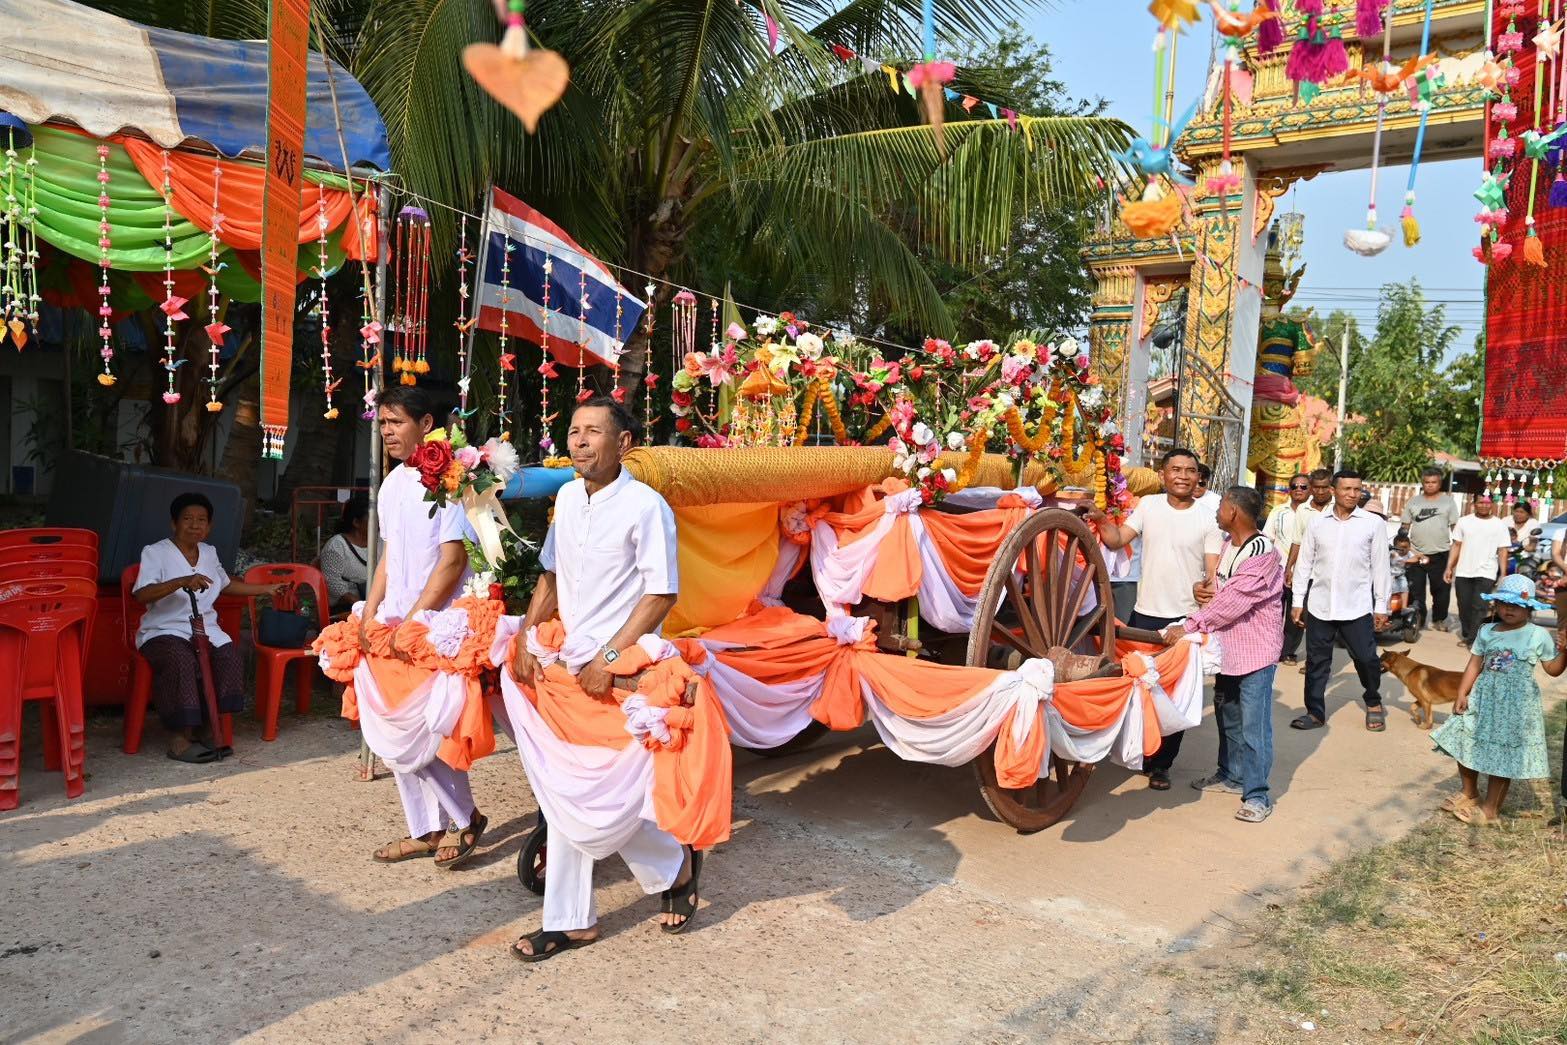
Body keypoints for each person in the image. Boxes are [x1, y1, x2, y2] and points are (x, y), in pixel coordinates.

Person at [508, 397, 694, 959]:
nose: (579, 441)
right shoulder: (565, 497)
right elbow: (551, 576)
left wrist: (608, 659)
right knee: (571, 790)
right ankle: (579, 916)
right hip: (567, 670)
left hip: (615, 673)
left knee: (604, 790)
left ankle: (671, 868)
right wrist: (524, 635)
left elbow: (661, 593)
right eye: (573, 431)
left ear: (625, 444)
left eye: (593, 432)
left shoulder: (646, 506)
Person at [359, 385, 487, 868]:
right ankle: (426, 830)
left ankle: (465, 819)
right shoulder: (392, 484)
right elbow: (390, 558)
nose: (387, 431)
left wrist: (412, 623)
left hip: (439, 626)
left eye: (396, 422)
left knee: (432, 731)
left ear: (427, 424)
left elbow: (452, 562)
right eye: (383, 423)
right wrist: (371, 615)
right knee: (394, 730)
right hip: (394, 622)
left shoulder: (456, 480)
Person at [1089, 447, 1219, 789]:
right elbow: (1117, 541)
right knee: (1138, 684)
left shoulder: (1208, 517)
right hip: (1145, 614)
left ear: (1198, 477)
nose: (1183, 476)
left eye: (1190, 470)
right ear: (1163, 475)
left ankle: (1162, 765)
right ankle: (1141, 749)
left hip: (1184, 619)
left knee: (1174, 693)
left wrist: (1206, 593)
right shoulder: (1148, 507)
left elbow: (1212, 570)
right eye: (1176, 469)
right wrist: (1101, 519)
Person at [134, 493, 288, 763]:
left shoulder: (209, 552)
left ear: (209, 527)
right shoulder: (155, 552)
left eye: (201, 520)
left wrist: (266, 589)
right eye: (188, 519)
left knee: (228, 654)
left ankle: (208, 729)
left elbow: (225, 584)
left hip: (205, 628)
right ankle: (179, 739)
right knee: (180, 660)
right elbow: (142, 594)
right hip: (164, 630)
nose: (195, 525)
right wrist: (181, 581)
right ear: (174, 523)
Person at [1163, 486, 1282, 823]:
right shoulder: (1231, 545)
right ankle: (1230, 774)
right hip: (1227, 650)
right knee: (1228, 716)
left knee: (1254, 727)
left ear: (1233, 512)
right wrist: (1204, 589)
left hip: (1255, 654)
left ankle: (1257, 795)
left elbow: (1233, 604)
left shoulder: (1263, 553)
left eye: (1220, 507)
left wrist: (1189, 625)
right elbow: (1221, 591)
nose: (1216, 513)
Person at [1431, 574, 1567, 825]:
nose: (1508, 609)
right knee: (1465, 740)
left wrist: (1565, 650)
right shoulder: (1487, 630)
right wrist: (1462, 692)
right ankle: (1469, 792)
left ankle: (1490, 810)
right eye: (1504, 603)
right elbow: (1474, 664)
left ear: (1529, 607)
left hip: (1516, 707)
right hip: (1483, 699)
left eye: (1515, 605)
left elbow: (1553, 669)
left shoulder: (1537, 635)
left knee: (1503, 756)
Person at [1291, 470, 1391, 732]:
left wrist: (1381, 605)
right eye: (1346, 489)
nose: (1352, 494)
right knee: (1317, 661)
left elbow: (1381, 567)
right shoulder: (1317, 523)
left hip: (1356, 605)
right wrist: (1298, 601)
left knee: (1366, 658)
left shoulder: (1373, 523)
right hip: (1320, 604)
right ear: (1333, 491)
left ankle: (1373, 701)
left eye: (1357, 490)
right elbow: (1305, 564)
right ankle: (1314, 712)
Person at [1445, 494, 1511, 647]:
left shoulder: (1499, 525)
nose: (1484, 505)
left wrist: (1503, 574)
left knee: (1480, 606)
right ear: (1473, 504)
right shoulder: (1464, 521)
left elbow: (1502, 550)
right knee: (1464, 605)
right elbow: (1456, 546)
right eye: (1480, 502)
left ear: (1492, 504)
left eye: (1487, 503)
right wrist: (1449, 567)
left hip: (1487, 571)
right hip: (1463, 571)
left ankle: (1473, 639)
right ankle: (1468, 633)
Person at [1400, 467, 1461, 631]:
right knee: (1415, 589)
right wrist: (1404, 546)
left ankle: (1439, 619)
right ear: (1422, 483)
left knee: (1441, 590)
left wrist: (1457, 552)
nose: (1430, 485)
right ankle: (1418, 619)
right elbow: (1405, 526)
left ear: (1439, 483)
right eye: (1427, 482)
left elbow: (1456, 528)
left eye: (1434, 482)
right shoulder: (1414, 502)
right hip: (1416, 553)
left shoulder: (1448, 502)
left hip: (1441, 553)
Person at [1264, 475, 1311, 665]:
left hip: (1303, 573)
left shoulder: (1315, 513)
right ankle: (1271, 648)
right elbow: (1268, 539)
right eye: (1294, 486)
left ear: (1310, 489)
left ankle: (1288, 651)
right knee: (1273, 612)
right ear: (1289, 490)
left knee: (1295, 614)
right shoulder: (1278, 511)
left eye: (1303, 486)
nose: (1298, 489)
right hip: (1277, 571)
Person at [319, 494, 370, 611]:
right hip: (345, 607)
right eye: (373, 519)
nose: (378, 523)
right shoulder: (336, 546)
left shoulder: (380, 542)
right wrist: (361, 606)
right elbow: (333, 583)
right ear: (356, 522)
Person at [1507, 502, 1542, 574]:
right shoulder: (1506, 520)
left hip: (1527, 556)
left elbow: (1532, 544)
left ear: (1528, 514)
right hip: (1506, 553)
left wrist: (1530, 545)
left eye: (1522, 512)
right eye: (1516, 511)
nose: (1518, 514)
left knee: (1525, 570)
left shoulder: (1533, 523)